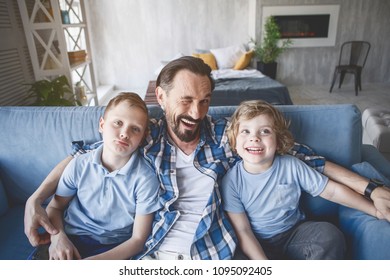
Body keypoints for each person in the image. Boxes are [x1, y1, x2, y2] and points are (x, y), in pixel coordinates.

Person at [24, 56, 390, 260]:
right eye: (185, 100)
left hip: (213, 253)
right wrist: (36, 198)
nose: (196, 112)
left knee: (325, 239)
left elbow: (304, 157)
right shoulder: (141, 134)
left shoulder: (227, 135)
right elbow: (82, 156)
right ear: (161, 98)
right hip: (154, 255)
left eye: (204, 101)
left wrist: (371, 188)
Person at [222, 100, 384, 260]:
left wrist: (374, 210)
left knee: (328, 235)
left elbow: (333, 191)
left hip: (294, 234)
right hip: (255, 241)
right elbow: (243, 230)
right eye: (245, 131)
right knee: (233, 258)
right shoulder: (231, 181)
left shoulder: (291, 165)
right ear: (234, 141)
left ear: (278, 141)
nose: (255, 138)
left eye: (265, 131)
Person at [35, 92, 161, 260]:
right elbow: (55, 207)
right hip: (70, 239)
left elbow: (138, 240)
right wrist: (58, 238)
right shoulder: (79, 164)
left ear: (143, 137)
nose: (124, 133)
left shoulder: (145, 179)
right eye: (118, 123)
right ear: (102, 124)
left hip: (114, 249)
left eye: (135, 129)